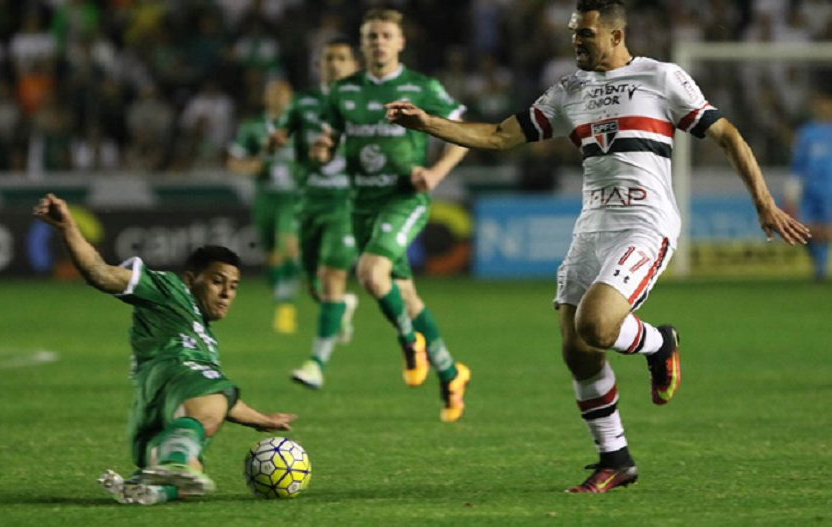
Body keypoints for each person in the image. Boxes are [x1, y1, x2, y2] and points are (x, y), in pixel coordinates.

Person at [386, 0, 809, 491]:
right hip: (593, 226)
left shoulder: (661, 77)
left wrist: (764, 202)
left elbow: (728, 136)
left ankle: (659, 342)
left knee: (597, 324)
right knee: (576, 350)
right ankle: (616, 459)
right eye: (573, 33)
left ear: (615, 35)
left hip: (645, 223)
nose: (575, 42)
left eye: (585, 34)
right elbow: (500, 137)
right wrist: (428, 123)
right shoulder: (569, 90)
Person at [32, 193, 296, 505]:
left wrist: (260, 419)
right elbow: (100, 273)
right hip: (171, 375)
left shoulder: (205, 341)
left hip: (154, 408)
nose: (227, 293)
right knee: (208, 410)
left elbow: (215, 400)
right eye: (217, 281)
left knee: (191, 478)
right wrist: (67, 228)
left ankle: (147, 488)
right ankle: (176, 461)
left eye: (234, 286)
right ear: (190, 280)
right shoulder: (168, 290)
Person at [312, 8, 471, 422]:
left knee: (370, 274)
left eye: (385, 35)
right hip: (361, 205)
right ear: (362, 45)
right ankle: (452, 374)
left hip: (403, 199)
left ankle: (408, 344)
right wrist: (324, 149)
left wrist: (435, 172)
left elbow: (463, 133)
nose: (378, 42)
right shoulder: (343, 92)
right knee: (409, 296)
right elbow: (329, 137)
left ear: (400, 42)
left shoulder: (421, 87)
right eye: (371, 37)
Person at [270, 38, 361, 389]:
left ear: (353, 64)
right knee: (314, 284)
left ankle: (316, 363)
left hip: (347, 203)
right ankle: (343, 306)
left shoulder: (364, 101)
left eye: (342, 58)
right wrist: (276, 140)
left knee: (332, 276)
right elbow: (283, 131)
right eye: (328, 59)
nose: (335, 64)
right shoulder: (304, 102)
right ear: (318, 65)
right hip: (309, 203)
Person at [228, 79, 302, 334]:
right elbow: (234, 163)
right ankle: (282, 288)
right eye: (274, 94)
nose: (280, 99)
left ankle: (285, 307)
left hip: (293, 198)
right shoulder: (252, 128)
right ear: (266, 98)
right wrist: (251, 166)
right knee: (271, 254)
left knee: (286, 246)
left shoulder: (301, 127)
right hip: (265, 198)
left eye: (284, 94)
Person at [788, 89, 832, 282]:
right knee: (805, 230)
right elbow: (798, 164)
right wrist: (792, 191)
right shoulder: (806, 133)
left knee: (827, 229)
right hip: (810, 189)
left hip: (829, 188)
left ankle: (821, 268)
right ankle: (819, 265)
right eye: (819, 104)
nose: (823, 108)